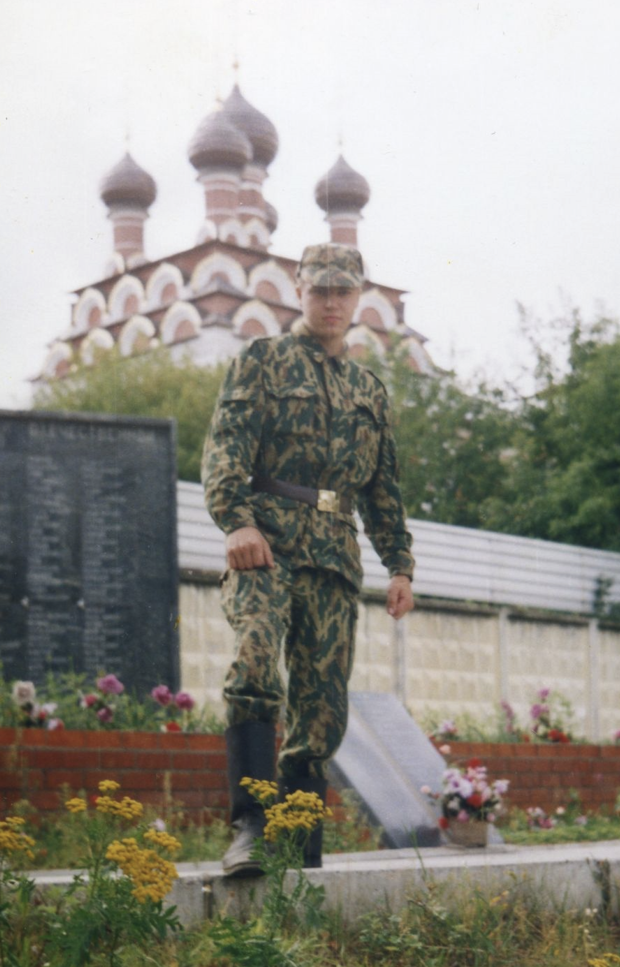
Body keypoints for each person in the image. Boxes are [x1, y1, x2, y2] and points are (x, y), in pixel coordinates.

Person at [201, 242, 415, 876]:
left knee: (322, 707)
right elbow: (225, 449)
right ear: (298, 289)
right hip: (264, 544)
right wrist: (236, 521)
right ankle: (249, 826)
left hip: (333, 556)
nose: (330, 302)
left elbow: (382, 489)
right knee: (256, 658)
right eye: (319, 290)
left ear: (357, 297)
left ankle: (300, 851)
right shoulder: (262, 360)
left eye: (341, 291)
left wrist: (399, 564)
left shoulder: (368, 389)